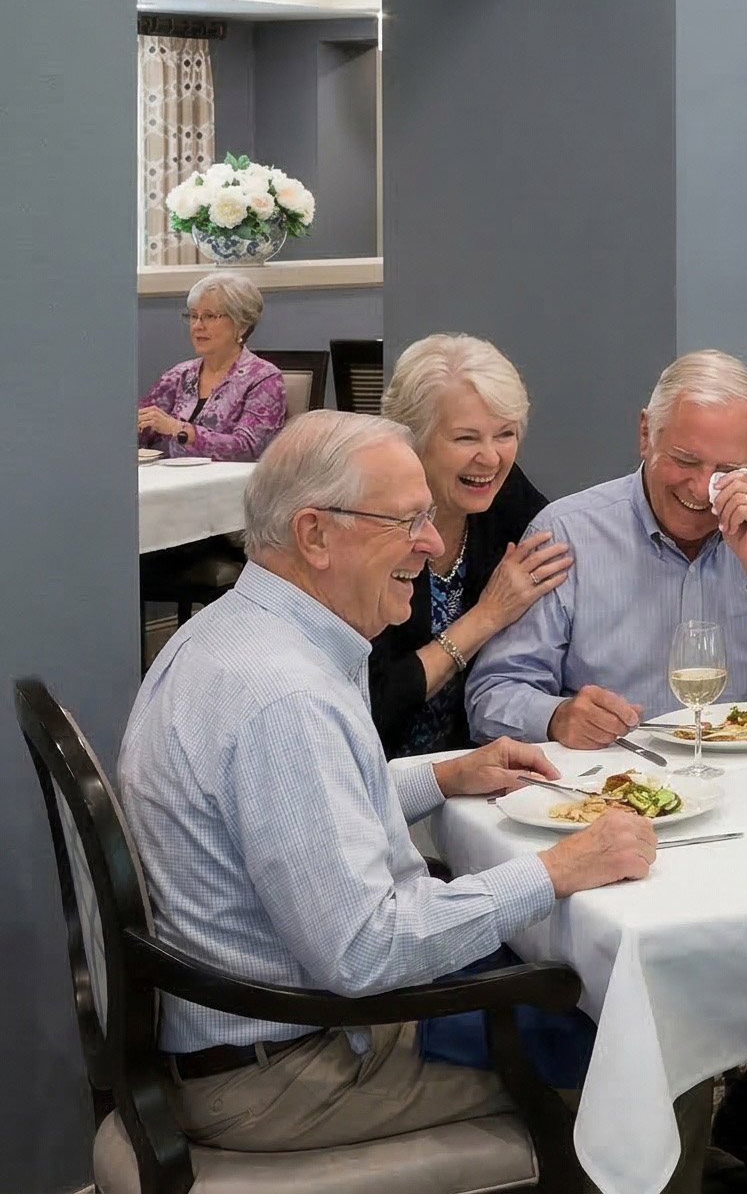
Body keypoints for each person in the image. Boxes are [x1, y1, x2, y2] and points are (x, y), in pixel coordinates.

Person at [119, 412, 655, 1155]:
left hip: (246, 1027)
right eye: (407, 521)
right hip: (293, 1069)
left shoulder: (231, 634)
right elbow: (366, 951)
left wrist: (446, 773)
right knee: (641, 1060)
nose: (433, 543)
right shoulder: (286, 699)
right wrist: (558, 869)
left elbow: (300, 805)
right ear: (314, 535)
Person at [466, 349, 747, 747]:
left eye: (726, 471)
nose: (700, 488)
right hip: (610, 790)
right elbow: (492, 698)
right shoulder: (567, 531)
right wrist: (555, 718)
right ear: (645, 434)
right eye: (685, 460)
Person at [369, 334, 572, 758]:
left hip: (472, 769)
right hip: (377, 774)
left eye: (505, 434)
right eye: (465, 438)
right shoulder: (370, 525)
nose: (491, 458)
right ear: (413, 439)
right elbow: (374, 701)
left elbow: (567, 557)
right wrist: (486, 617)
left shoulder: (505, 497)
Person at [138, 270, 288, 460]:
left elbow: (249, 448)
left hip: (229, 486)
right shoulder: (178, 375)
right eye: (194, 316)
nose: (197, 326)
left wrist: (180, 430)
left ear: (241, 324)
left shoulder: (264, 379)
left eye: (209, 316)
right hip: (170, 482)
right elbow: (142, 433)